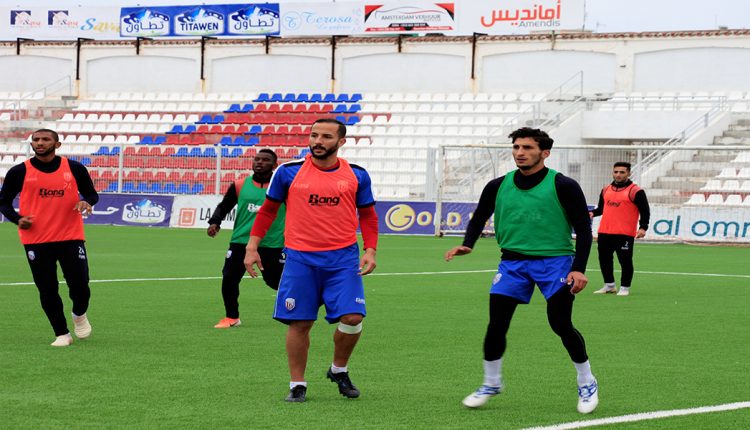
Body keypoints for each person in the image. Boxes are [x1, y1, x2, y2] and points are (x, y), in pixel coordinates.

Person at [444, 127, 599, 414]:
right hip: (512, 263)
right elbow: (480, 215)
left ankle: (586, 381)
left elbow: (583, 229)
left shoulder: (563, 185)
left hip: (555, 262)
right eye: (516, 147)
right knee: (496, 325)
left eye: (527, 148)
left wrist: (578, 269)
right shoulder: (497, 185)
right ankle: (491, 383)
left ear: (545, 153)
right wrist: (468, 243)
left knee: (560, 324)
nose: (520, 153)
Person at [243, 118, 378, 403]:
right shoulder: (288, 172)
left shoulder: (357, 175)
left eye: (326, 136)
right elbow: (267, 211)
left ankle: (338, 369)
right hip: (299, 259)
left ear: (341, 141)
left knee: (353, 317)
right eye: (314, 135)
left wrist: (370, 249)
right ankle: (297, 384)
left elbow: (367, 215)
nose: (318, 141)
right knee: (300, 322)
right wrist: (252, 247)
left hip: (343, 259)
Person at [0, 129, 99, 347]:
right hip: (36, 240)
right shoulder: (19, 171)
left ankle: (79, 315)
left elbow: (92, 194)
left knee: (81, 286)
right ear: (32, 144)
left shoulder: (74, 168)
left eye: (45, 139)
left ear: (57, 144)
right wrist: (18, 219)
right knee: (47, 288)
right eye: (36, 140)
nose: (40, 143)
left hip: (70, 236)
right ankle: (62, 333)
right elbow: (3, 202)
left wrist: (87, 202)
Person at [207, 149, 286, 328]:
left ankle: (298, 309)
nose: (259, 162)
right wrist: (215, 222)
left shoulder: (282, 187)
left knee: (275, 281)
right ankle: (232, 317)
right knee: (229, 278)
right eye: (257, 159)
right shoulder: (240, 185)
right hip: (240, 241)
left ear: (275, 165)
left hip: (272, 243)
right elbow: (224, 206)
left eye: (265, 160)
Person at [589, 161, 650, 297]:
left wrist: (643, 227)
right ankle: (609, 285)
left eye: (622, 172)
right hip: (604, 232)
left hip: (624, 234)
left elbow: (645, 211)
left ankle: (624, 287)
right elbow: (601, 209)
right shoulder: (606, 189)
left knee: (625, 261)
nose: (618, 175)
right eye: (616, 172)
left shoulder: (636, 191)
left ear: (629, 173)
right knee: (604, 260)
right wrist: (592, 213)